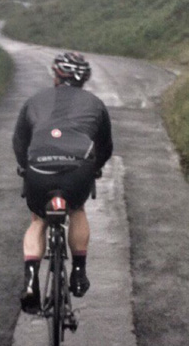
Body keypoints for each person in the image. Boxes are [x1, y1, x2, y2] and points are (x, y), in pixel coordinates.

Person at [12, 51, 113, 314]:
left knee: (38, 219)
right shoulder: (95, 103)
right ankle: (78, 272)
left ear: (56, 75)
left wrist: (25, 167)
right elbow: (105, 147)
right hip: (77, 170)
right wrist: (95, 168)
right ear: (84, 78)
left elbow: (20, 142)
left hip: (39, 168)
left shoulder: (35, 100)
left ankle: (31, 281)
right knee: (76, 209)